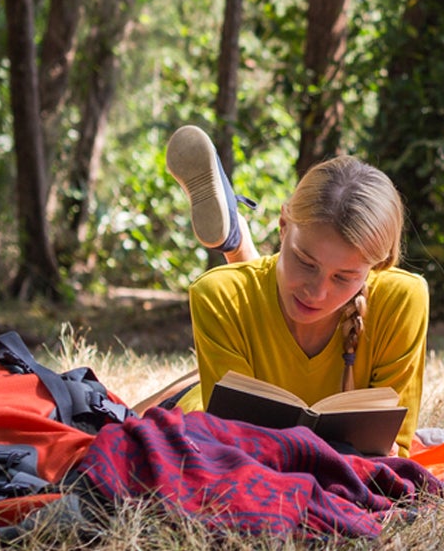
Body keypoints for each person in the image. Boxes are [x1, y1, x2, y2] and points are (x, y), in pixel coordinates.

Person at [161, 127, 429, 454]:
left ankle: (239, 239)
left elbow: (395, 453)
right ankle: (239, 242)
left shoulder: (402, 300)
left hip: (256, 323)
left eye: (344, 277)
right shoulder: (216, 295)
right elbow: (230, 444)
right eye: (305, 261)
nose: (316, 293)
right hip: (197, 406)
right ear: (283, 225)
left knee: (255, 296)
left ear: (377, 266)